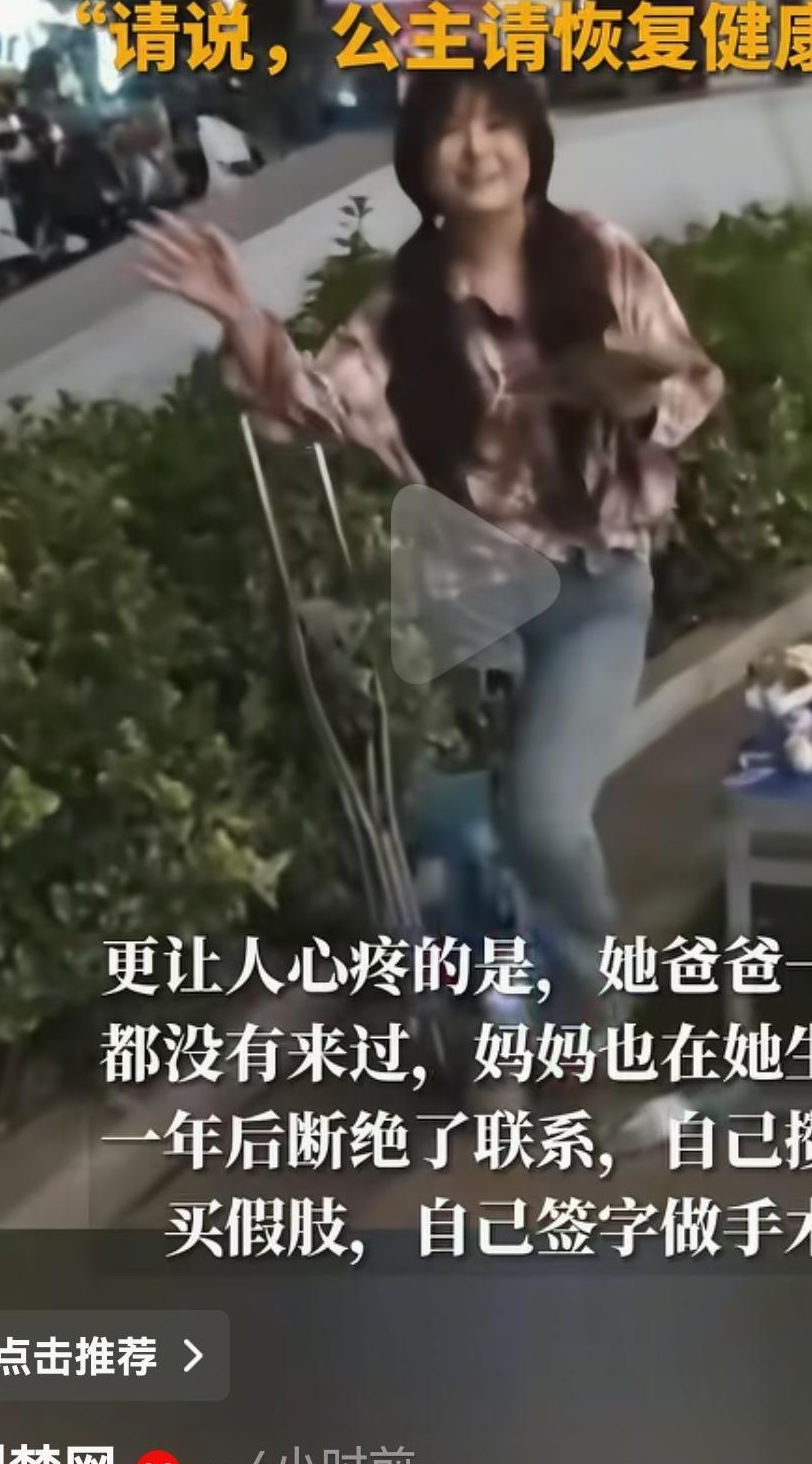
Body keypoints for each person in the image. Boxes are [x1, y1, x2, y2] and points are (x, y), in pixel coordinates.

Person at [133, 62, 725, 1021]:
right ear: (420, 162)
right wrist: (241, 314)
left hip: (595, 588)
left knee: (544, 815)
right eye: (452, 130)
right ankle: (498, 1021)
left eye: (498, 125)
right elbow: (312, 405)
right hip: (470, 599)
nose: (477, 149)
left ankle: (592, 994)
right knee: (459, 819)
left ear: (532, 144)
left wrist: (636, 396)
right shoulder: (403, 314)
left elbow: (694, 382)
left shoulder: (601, 257)